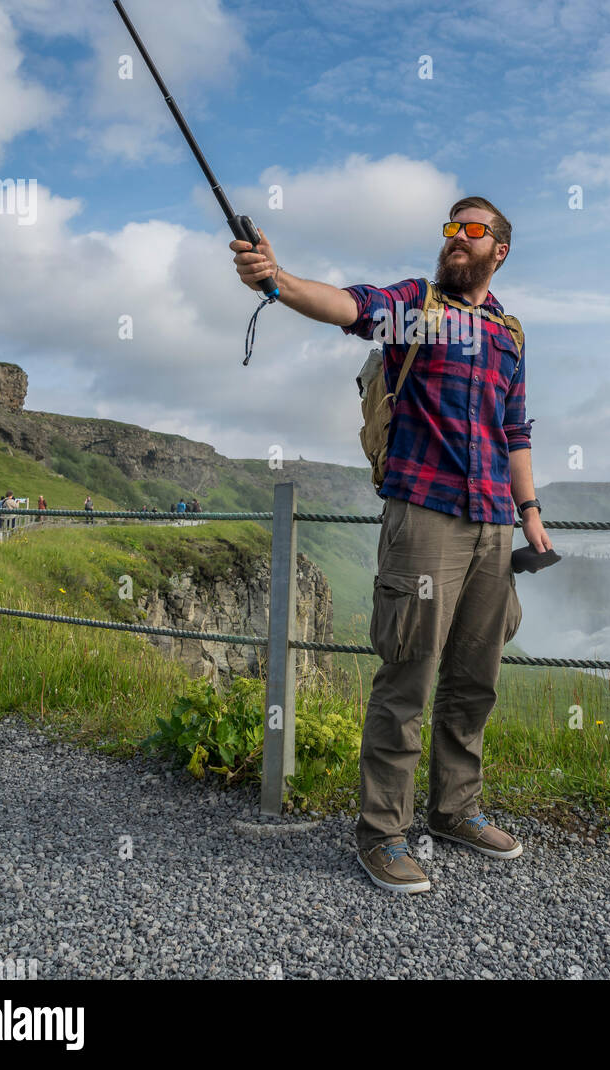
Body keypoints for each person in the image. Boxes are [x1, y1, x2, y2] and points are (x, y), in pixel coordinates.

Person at [232, 195, 553, 896]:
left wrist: (529, 512)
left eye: (472, 230)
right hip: (425, 518)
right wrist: (277, 282)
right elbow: (347, 305)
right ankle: (381, 833)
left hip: (495, 524)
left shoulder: (510, 333)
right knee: (407, 676)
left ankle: (454, 811)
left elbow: (516, 432)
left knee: (475, 678)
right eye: (450, 229)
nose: (456, 239)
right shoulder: (417, 306)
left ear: (499, 249)